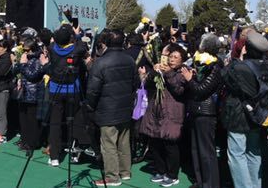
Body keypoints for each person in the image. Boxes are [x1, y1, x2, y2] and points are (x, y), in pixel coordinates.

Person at [86, 29, 139, 187]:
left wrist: (90, 105)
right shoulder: (129, 60)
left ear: (106, 42)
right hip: (125, 106)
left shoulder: (101, 62)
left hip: (107, 108)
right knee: (123, 141)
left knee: (108, 143)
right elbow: (135, 83)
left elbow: (92, 90)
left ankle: (112, 176)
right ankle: (125, 171)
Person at [220, 30, 268, 188]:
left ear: (246, 48)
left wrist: (236, 61)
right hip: (258, 114)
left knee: (237, 155)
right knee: (253, 153)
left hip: (239, 115)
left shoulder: (240, 67)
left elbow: (225, 75)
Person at [140, 42, 188, 187]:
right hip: (155, 110)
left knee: (170, 144)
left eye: (175, 57)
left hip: (172, 112)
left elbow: (179, 90)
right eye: (170, 57)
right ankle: (160, 170)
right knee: (155, 142)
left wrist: (167, 73)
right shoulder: (160, 69)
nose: (172, 60)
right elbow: (147, 85)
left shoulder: (184, 72)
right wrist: (154, 72)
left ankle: (172, 174)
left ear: (182, 60)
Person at [180, 32, 224, 188]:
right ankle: (200, 181)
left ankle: (210, 184)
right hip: (196, 110)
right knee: (195, 149)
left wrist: (189, 79)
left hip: (206, 112)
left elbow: (201, 90)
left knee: (206, 152)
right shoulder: (201, 63)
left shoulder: (215, 66)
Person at [46, 24, 88, 166]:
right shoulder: (76, 50)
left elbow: (53, 41)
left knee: (55, 123)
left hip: (55, 90)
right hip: (72, 90)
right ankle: (73, 148)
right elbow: (83, 46)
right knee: (73, 121)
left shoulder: (52, 48)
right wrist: (76, 34)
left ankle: (54, 157)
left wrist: (64, 33)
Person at [13, 35, 50, 152]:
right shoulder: (25, 58)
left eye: (27, 50)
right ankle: (24, 140)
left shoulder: (38, 58)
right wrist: (19, 63)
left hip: (33, 93)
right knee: (22, 118)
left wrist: (23, 64)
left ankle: (32, 142)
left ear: (33, 49)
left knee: (32, 120)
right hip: (23, 91)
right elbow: (15, 71)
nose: (25, 52)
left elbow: (33, 75)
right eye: (23, 50)